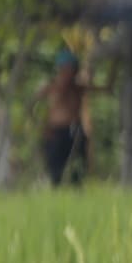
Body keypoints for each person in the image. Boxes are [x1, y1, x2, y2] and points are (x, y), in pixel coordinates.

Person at [37, 48, 93, 187]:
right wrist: (43, 127)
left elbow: (107, 88)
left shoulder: (78, 89)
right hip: (55, 132)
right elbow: (35, 107)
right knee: (55, 169)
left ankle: (76, 192)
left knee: (78, 169)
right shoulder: (50, 88)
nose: (70, 73)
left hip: (75, 132)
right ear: (61, 69)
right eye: (67, 69)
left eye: (73, 69)